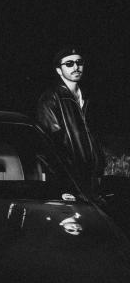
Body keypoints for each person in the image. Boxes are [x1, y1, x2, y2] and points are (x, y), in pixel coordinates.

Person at [36, 47, 104, 192]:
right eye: (69, 64)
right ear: (59, 70)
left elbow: (95, 137)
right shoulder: (51, 98)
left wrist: (99, 166)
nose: (76, 67)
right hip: (70, 181)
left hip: (93, 178)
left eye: (79, 62)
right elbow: (50, 145)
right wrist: (63, 184)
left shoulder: (88, 97)